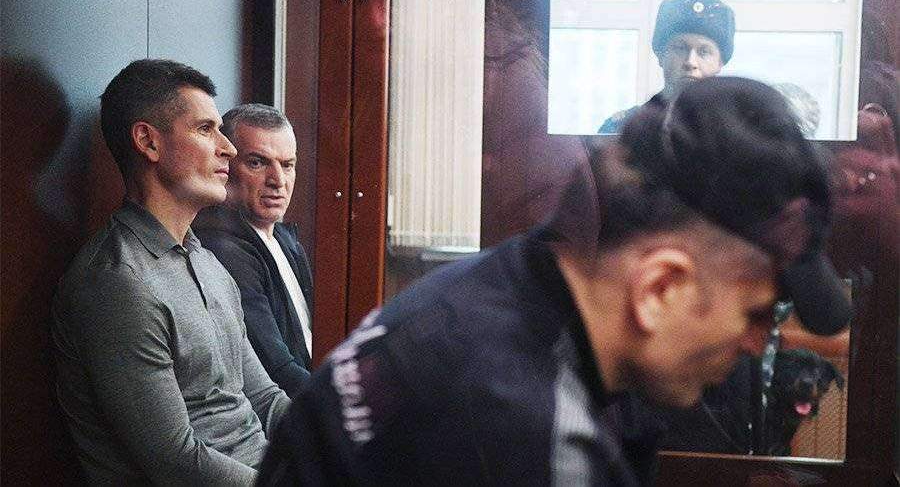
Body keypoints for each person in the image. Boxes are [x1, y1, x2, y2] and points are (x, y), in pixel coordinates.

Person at [258, 76, 853, 485]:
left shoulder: (516, 284)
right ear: (660, 287)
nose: (758, 343)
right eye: (755, 313)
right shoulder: (526, 431)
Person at [52, 59, 290, 485]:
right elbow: (177, 462)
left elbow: (265, 398)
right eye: (205, 129)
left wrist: (342, 445)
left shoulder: (208, 263)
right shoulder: (116, 282)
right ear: (149, 142)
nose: (228, 149)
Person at [193, 104, 314, 398]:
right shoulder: (224, 249)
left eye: (287, 165)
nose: (278, 180)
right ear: (225, 166)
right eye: (258, 163)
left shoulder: (285, 240)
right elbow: (277, 370)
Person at [598, 0, 735, 134]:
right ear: (661, 55)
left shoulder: (737, 132)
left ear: (720, 63)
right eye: (680, 48)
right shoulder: (623, 128)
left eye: (704, 52)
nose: (690, 62)